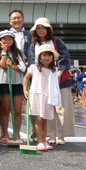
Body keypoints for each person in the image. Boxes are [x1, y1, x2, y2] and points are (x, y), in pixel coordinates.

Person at [28, 17, 75, 145]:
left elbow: (64, 57)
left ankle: (61, 135)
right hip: (42, 81)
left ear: (48, 29)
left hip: (60, 80)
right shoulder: (33, 45)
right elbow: (32, 62)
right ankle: (50, 135)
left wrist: (58, 75)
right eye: (38, 28)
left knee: (61, 108)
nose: (41, 30)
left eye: (44, 28)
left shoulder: (56, 41)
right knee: (46, 108)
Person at [23, 44, 61, 151]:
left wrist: (54, 99)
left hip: (48, 97)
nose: (47, 58)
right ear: (39, 57)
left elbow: (55, 86)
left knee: (44, 120)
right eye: (44, 55)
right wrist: (25, 90)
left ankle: (44, 141)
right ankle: (39, 141)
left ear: (53, 57)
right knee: (38, 120)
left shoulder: (54, 70)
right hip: (36, 95)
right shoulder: (34, 67)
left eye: (49, 55)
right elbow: (26, 78)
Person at [0, 30, 27, 145]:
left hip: (17, 82)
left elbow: (23, 67)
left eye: (10, 39)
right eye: (4, 39)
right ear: (1, 40)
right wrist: (4, 52)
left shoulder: (18, 52)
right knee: (6, 109)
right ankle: (5, 134)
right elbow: (3, 64)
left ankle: (17, 134)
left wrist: (13, 66)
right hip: (5, 82)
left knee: (17, 110)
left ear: (13, 40)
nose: (7, 41)